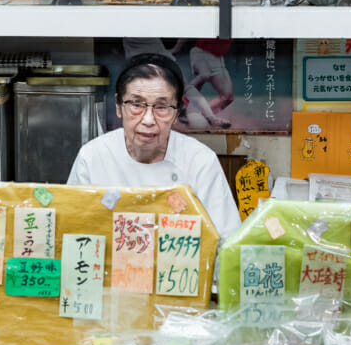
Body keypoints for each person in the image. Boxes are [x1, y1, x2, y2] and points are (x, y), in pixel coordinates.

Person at [67, 52, 242, 239]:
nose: (148, 120)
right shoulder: (93, 157)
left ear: (176, 113)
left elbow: (226, 242)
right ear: (119, 107)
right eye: (136, 104)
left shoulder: (200, 161)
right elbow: (71, 231)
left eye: (161, 107)